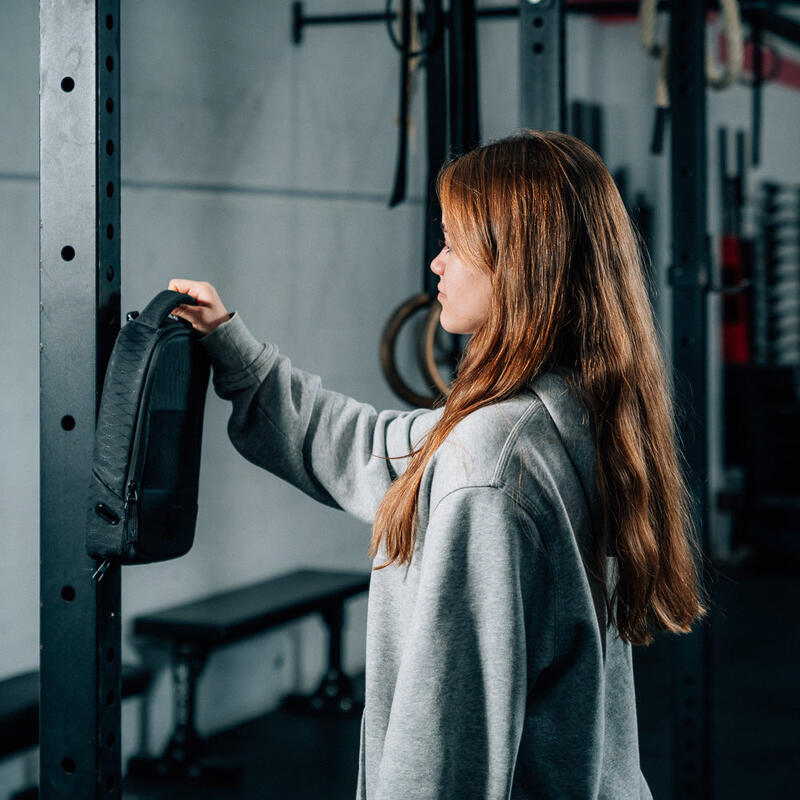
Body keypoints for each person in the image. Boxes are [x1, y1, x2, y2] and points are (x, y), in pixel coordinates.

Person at [168, 130, 707, 800]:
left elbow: (445, 752)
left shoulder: (490, 469)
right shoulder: (568, 415)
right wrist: (234, 349)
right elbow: (375, 445)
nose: (435, 262)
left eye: (453, 243)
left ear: (516, 264)